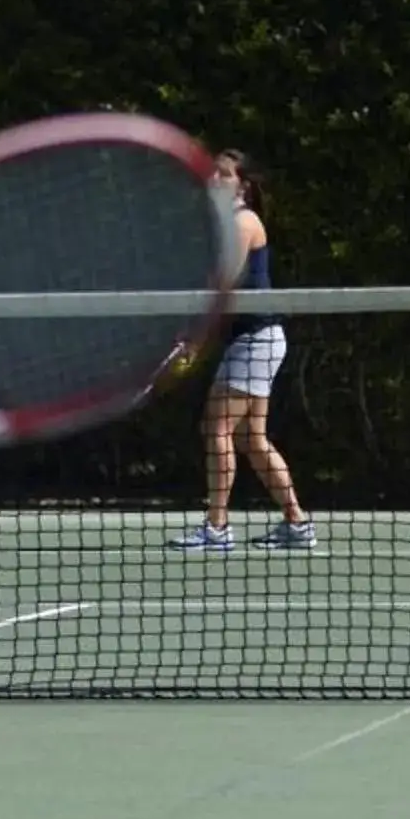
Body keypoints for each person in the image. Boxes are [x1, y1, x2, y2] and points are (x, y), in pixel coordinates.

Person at [175, 150, 314, 554]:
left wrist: (194, 339)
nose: (214, 180)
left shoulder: (243, 222)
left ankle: (216, 529)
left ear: (244, 185)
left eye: (224, 175)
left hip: (256, 338)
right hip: (255, 338)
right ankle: (297, 523)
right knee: (252, 439)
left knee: (216, 430)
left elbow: (223, 287)